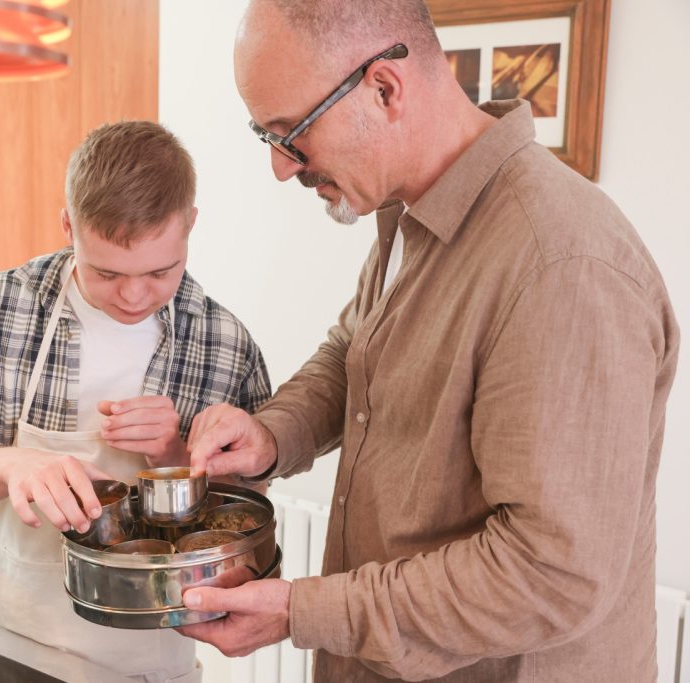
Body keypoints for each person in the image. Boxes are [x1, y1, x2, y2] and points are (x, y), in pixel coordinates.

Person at [179, 1, 680, 681]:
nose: (280, 167)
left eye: (290, 132)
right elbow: (357, 348)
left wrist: (305, 609)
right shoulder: (408, 207)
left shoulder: (561, 262)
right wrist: (272, 434)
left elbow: (550, 571)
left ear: (384, 88)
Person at [0, 121, 271, 683]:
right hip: (12, 646)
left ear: (190, 226)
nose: (133, 295)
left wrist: (175, 458)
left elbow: (246, 516)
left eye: (160, 271)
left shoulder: (223, 341)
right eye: (106, 271)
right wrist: (15, 465)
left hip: (152, 664)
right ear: (67, 226)